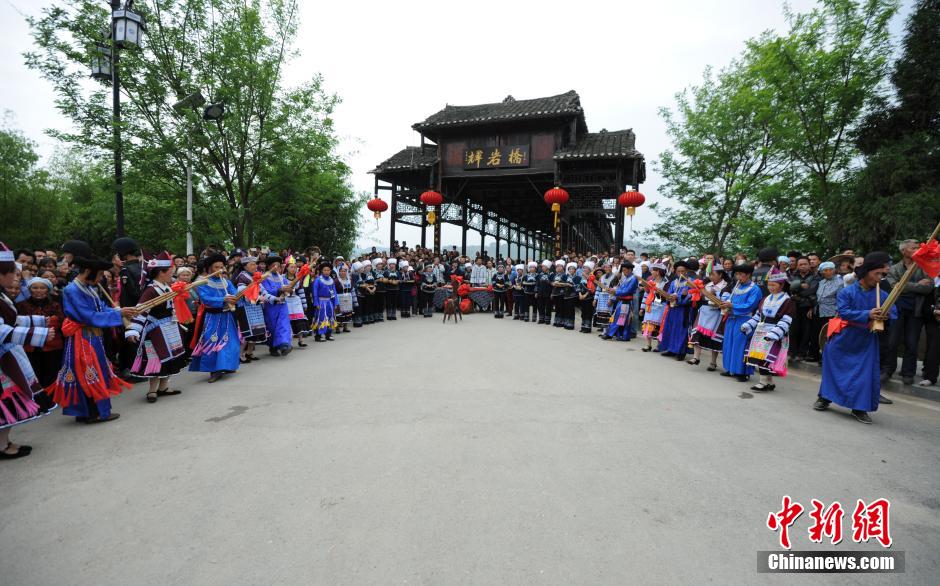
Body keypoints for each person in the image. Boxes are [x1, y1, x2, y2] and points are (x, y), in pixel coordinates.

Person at [47, 246, 139, 422]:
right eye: (98, 275)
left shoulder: (88, 288)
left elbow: (100, 308)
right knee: (88, 372)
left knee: (93, 371)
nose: (100, 278)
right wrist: (118, 314)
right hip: (82, 338)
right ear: (88, 271)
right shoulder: (72, 290)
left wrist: (119, 310)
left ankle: (88, 411)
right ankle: (93, 412)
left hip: (91, 337)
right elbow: (87, 316)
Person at [815, 252, 898, 424]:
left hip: (866, 340)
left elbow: (894, 312)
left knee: (864, 374)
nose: (880, 278)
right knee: (834, 370)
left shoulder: (882, 295)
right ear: (867, 271)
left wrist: (886, 315)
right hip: (844, 337)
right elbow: (844, 312)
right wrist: (867, 314)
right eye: (877, 273)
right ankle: (825, 397)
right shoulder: (847, 292)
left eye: (882, 274)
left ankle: (859, 408)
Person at [1, 244, 56, 458]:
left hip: (8, 356)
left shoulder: (3, 296)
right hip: (3, 360)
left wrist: (39, 321)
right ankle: (2, 446)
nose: (16, 278)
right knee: (6, 401)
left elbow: (13, 319)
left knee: (11, 401)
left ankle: (4, 442)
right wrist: (37, 335)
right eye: (11, 273)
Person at [125, 252, 187, 403]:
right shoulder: (151, 290)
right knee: (156, 358)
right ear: (161, 272)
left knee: (171, 357)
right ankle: (152, 390)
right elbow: (141, 310)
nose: (172, 275)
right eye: (170, 273)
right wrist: (133, 329)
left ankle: (164, 387)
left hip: (169, 327)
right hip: (155, 330)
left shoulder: (167, 287)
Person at [882, 239, 933, 384]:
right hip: (897, 309)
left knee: (912, 343)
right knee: (892, 341)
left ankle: (908, 373)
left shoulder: (924, 267)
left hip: (916, 310)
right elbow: (894, 286)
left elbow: (928, 288)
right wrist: (917, 285)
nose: (917, 249)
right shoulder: (894, 268)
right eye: (913, 248)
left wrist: (903, 285)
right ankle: (887, 370)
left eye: (918, 247)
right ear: (903, 251)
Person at [189, 254, 240, 383]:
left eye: (221, 267)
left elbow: (235, 294)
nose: (219, 270)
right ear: (210, 268)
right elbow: (205, 299)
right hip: (212, 317)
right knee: (212, 342)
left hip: (227, 316)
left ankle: (226, 365)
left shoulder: (226, 282)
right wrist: (223, 299)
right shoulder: (203, 282)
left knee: (229, 341)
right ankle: (214, 370)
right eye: (216, 267)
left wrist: (235, 298)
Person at [742, 269, 795, 391]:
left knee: (766, 358)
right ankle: (769, 382)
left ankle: (762, 382)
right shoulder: (766, 299)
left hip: (775, 332)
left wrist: (775, 334)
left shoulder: (787, 301)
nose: (770, 287)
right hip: (761, 331)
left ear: (781, 285)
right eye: (769, 285)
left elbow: (786, 319)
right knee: (760, 356)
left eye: (773, 285)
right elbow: (758, 316)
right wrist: (748, 325)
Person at [16, 277, 64, 411]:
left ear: (48, 289)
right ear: (29, 289)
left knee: (51, 372)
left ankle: (52, 398)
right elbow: (19, 322)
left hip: (51, 345)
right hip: (30, 346)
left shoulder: (55, 304)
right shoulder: (21, 305)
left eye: (42, 288)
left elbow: (59, 320)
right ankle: (38, 401)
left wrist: (36, 322)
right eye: (35, 288)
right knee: (34, 373)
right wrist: (45, 321)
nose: (38, 291)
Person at [720, 263, 763, 381]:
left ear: (748, 274)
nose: (738, 277)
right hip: (731, 318)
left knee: (741, 345)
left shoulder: (755, 289)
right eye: (736, 274)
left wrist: (732, 305)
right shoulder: (736, 286)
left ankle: (743, 372)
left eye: (740, 274)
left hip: (745, 320)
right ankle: (730, 369)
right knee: (729, 343)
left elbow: (750, 305)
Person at [687, 266, 728, 370]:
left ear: (720, 275)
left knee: (714, 337)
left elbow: (725, 300)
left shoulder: (726, 286)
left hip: (717, 313)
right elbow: (701, 296)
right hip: (705, 310)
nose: (711, 277)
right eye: (710, 274)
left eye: (713, 274)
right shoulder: (706, 284)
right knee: (697, 333)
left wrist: (715, 295)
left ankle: (713, 362)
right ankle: (696, 357)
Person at [232, 254, 268, 363]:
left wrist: (272, 298)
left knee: (257, 331)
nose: (254, 266)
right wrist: (258, 299)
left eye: (255, 264)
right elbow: (243, 293)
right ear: (245, 266)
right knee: (247, 332)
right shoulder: (242, 277)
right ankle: (240, 354)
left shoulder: (255, 276)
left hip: (255, 307)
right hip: (246, 308)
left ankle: (249, 352)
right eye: (251, 264)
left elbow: (263, 291)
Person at [658, 261, 694, 360]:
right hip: (673, 309)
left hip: (683, 310)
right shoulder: (673, 282)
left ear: (686, 271)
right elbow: (669, 293)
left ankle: (681, 352)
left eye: (683, 271)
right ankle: (671, 349)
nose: (680, 273)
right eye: (678, 271)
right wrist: (669, 297)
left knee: (681, 330)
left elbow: (691, 296)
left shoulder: (691, 282)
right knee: (671, 328)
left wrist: (679, 298)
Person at [810, 261, 843, 363]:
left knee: (828, 336)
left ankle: (826, 357)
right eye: (825, 270)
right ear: (822, 272)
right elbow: (817, 297)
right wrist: (812, 308)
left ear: (834, 270)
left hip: (831, 312)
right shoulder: (821, 282)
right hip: (819, 310)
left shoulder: (839, 282)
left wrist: (838, 313)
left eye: (830, 270)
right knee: (816, 333)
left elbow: (840, 299)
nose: (828, 272)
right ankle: (815, 355)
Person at [260, 254, 293, 356]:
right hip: (271, 306)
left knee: (283, 324)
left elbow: (289, 288)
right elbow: (266, 292)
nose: (277, 268)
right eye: (274, 265)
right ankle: (273, 346)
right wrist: (279, 290)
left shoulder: (282, 278)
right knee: (272, 326)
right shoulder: (264, 278)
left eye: (278, 266)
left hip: (282, 305)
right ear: (268, 266)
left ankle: (284, 345)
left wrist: (289, 290)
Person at [788, 256, 819, 361]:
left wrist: (798, 290)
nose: (803, 266)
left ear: (809, 265)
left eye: (805, 264)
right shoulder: (793, 276)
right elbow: (791, 290)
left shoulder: (815, 276)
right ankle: (792, 353)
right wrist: (802, 287)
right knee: (793, 330)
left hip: (808, 307)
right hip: (795, 307)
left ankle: (801, 353)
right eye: (800, 264)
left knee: (806, 331)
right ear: (797, 266)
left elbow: (812, 290)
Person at [602, 263, 638, 341]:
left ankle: (612, 334)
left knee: (620, 317)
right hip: (622, 300)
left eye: (625, 270)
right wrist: (614, 290)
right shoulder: (626, 278)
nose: (623, 272)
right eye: (623, 270)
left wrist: (615, 291)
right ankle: (620, 335)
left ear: (630, 270)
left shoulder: (633, 278)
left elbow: (627, 291)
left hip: (627, 301)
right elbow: (621, 289)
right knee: (621, 318)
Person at [312, 262, 338, 342]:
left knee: (330, 317)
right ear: (322, 271)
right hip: (321, 301)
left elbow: (334, 292)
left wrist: (336, 302)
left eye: (328, 270)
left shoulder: (331, 280)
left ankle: (328, 334)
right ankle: (318, 335)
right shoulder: (318, 280)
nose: (327, 271)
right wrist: (316, 303)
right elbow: (315, 292)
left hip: (329, 301)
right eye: (325, 270)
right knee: (321, 317)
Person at [577, 262, 596, 333]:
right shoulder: (582, 277)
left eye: (586, 268)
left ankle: (587, 328)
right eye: (584, 268)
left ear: (590, 269)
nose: (584, 269)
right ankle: (583, 326)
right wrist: (579, 294)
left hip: (589, 297)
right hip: (582, 297)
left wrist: (585, 295)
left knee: (588, 312)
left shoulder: (592, 276)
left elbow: (591, 288)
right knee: (583, 312)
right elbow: (579, 286)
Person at [335, 264, 355, 331]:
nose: (343, 272)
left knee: (347, 313)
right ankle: (337, 327)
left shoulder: (349, 280)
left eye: (344, 271)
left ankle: (345, 327)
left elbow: (352, 289)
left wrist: (355, 300)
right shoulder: (336, 280)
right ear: (338, 272)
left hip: (348, 298)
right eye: (341, 271)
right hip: (339, 298)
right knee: (339, 313)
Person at [536, 260, 552, 324]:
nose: (542, 268)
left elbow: (553, 284)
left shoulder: (551, 274)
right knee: (540, 306)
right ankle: (541, 319)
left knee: (548, 306)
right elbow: (537, 284)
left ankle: (547, 320)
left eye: (544, 266)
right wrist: (536, 292)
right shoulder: (540, 275)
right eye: (542, 266)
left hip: (548, 293)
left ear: (548, 267)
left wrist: (552, 293)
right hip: (540, 293)